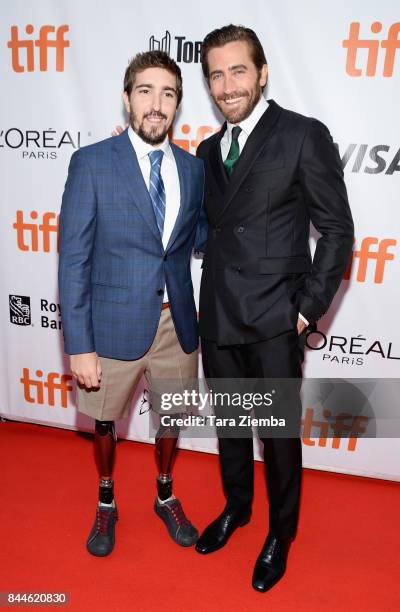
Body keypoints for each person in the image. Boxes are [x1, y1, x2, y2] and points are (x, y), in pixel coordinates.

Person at [194, 25, 354, 593]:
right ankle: (237, 508)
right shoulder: (209, 150)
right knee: (232, 427)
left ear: (262, 73)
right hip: (218, 313)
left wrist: (305, 310)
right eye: (216, 73)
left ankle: (280, 534)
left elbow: (336, 231)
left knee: (277, 433)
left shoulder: (303, 135)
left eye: (238, 70)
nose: (227, 84)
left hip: (272, 317)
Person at [58, 50, 206, 557]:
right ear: (127, 99)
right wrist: (79, 344)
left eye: (168, 94)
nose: (156, 104)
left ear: (177, 105)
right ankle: (106, 500)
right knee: (104, 420)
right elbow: (73, 259)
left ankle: (165, 493)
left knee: (171, 417)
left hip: (176, 326)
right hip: (113, 324)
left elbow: (199, 236)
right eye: (145, 91)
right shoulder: (92, 163)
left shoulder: (193, 169)